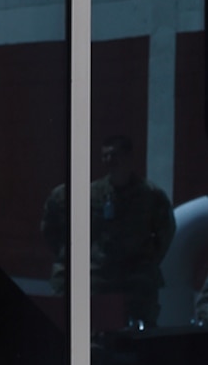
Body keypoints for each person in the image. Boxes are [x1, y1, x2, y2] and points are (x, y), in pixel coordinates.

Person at [38, 135, 177, 329]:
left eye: (114, 155)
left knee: (138, 335)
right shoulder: (93, 194)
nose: (108, 161)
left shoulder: (151, 196)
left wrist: (147, 260)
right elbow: (52, 229)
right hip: (98, 280)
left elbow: (166, 231)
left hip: (136, 282)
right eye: (104, 156)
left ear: (129, 157)